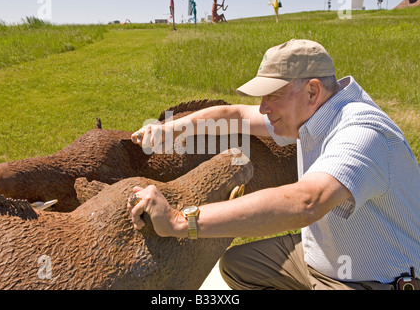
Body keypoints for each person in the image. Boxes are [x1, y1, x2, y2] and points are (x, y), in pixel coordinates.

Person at [129, 39, 420, 290]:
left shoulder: (362, 132)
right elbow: (235, 115)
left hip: (371, 280)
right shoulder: (317, 111)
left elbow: (306, 202)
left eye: (273, 96)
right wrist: (172, 129)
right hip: (323, 258)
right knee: (237, 266)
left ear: (312, 91)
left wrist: (181, 221)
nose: (264, 108)